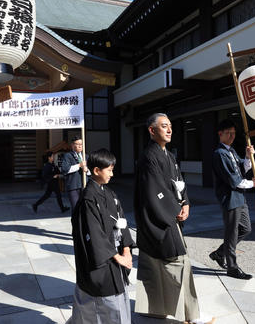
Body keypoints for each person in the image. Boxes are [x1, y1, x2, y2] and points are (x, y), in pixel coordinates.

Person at [134, 113, 213, 324]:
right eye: (163, 126)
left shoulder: (168, 155)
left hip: (168, 216)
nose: (169, 130)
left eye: (170, 126)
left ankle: (155, 309)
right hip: (159, 219)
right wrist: (173, 211)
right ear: (152, 130)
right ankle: (190, 315)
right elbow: (155, 192)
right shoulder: (148, 157)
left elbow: (179, 182)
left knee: (155, 265)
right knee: (179, 263)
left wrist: (185, 202)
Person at [70, 148, 134, 324]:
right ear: (96, 170)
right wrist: (117, 257)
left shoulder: (110, 194)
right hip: (103, 261)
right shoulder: (87, 199)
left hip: (117, 256)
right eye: (110, 170)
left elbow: (122, 220)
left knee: (119, 300)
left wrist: (127, 250)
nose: (112, 174)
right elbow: (94, 234)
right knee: (103, 307)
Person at [209, 119, 255, 280]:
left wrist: (247, 157)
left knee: (246, 228)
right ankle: (232, 267)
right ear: (220, 134)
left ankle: (219, 253)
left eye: (233, 133)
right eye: (228, 133)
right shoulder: (219, 154)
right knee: (232, 233)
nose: (231, 136)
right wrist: (252, 183)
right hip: (230, 198)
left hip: (240, 197)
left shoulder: (231, 151)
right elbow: (234, 181)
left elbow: (241, 170)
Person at [61, 137, 87, 209]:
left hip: (84, 185)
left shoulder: (85, 156)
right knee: (76, 208)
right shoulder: (68, 156)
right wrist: (79, 165)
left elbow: (91, 172)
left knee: (84, 208)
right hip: (73, 186)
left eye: (81, 144)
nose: (80, 146)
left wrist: (87, 170)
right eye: (77, 144)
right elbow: (64, 169)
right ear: (72, 145)